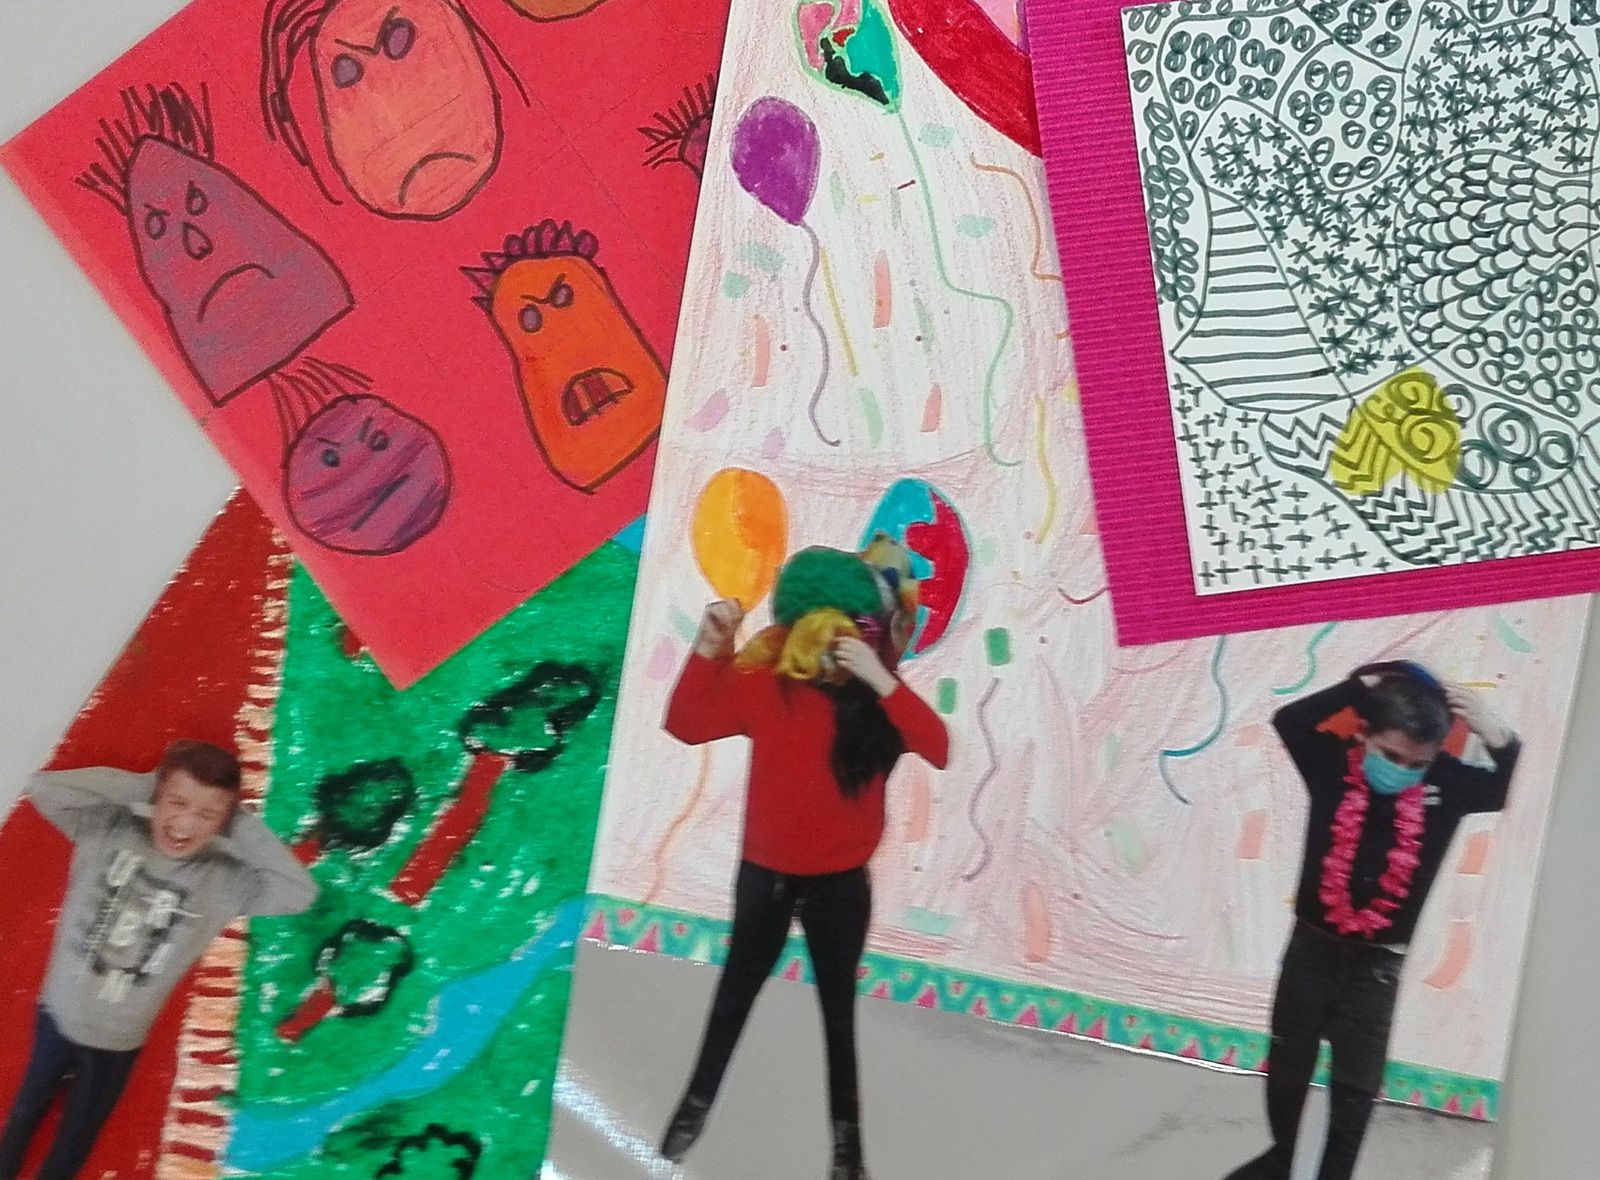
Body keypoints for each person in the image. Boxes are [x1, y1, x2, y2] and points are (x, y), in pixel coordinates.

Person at [657, 541, 950, 1180]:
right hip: (766, 876)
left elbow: (938, 746)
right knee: (734, 996)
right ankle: (695, 1105)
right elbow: (686, 723)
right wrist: (710, 646)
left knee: (837, 1014)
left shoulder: (878, 702)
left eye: (850, 629)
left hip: (840, 885)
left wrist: (882, 681)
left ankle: (848, 1146)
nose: (827, 642)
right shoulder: (769, 686)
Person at [1225, 660, 1520, 1180]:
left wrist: (1500, 737)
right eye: (1390, 755)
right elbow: (1290, 721)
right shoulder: (1330, 766)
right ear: (1363, 735)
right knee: (1289, 1065)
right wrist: (1357, 688)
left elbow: (1504, 790)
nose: (1402, 770)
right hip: (1311, 948)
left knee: (1356, 1088)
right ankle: (1278, 1163)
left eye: (1417, 763)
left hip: (1378, 967)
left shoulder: (1447, 786)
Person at [0, 740, 318, 1180]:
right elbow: (45, 788)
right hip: (58, 1014)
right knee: (24, 1113)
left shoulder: (224, 880)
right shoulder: (107, 827)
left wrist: (237, 822)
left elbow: (300, 893)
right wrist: (144, 787)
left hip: (117, 1042)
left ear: (224, 821)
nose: (185, 824)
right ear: (157, 795)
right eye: (177, 802)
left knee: (73, 1144)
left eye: (207, 814)